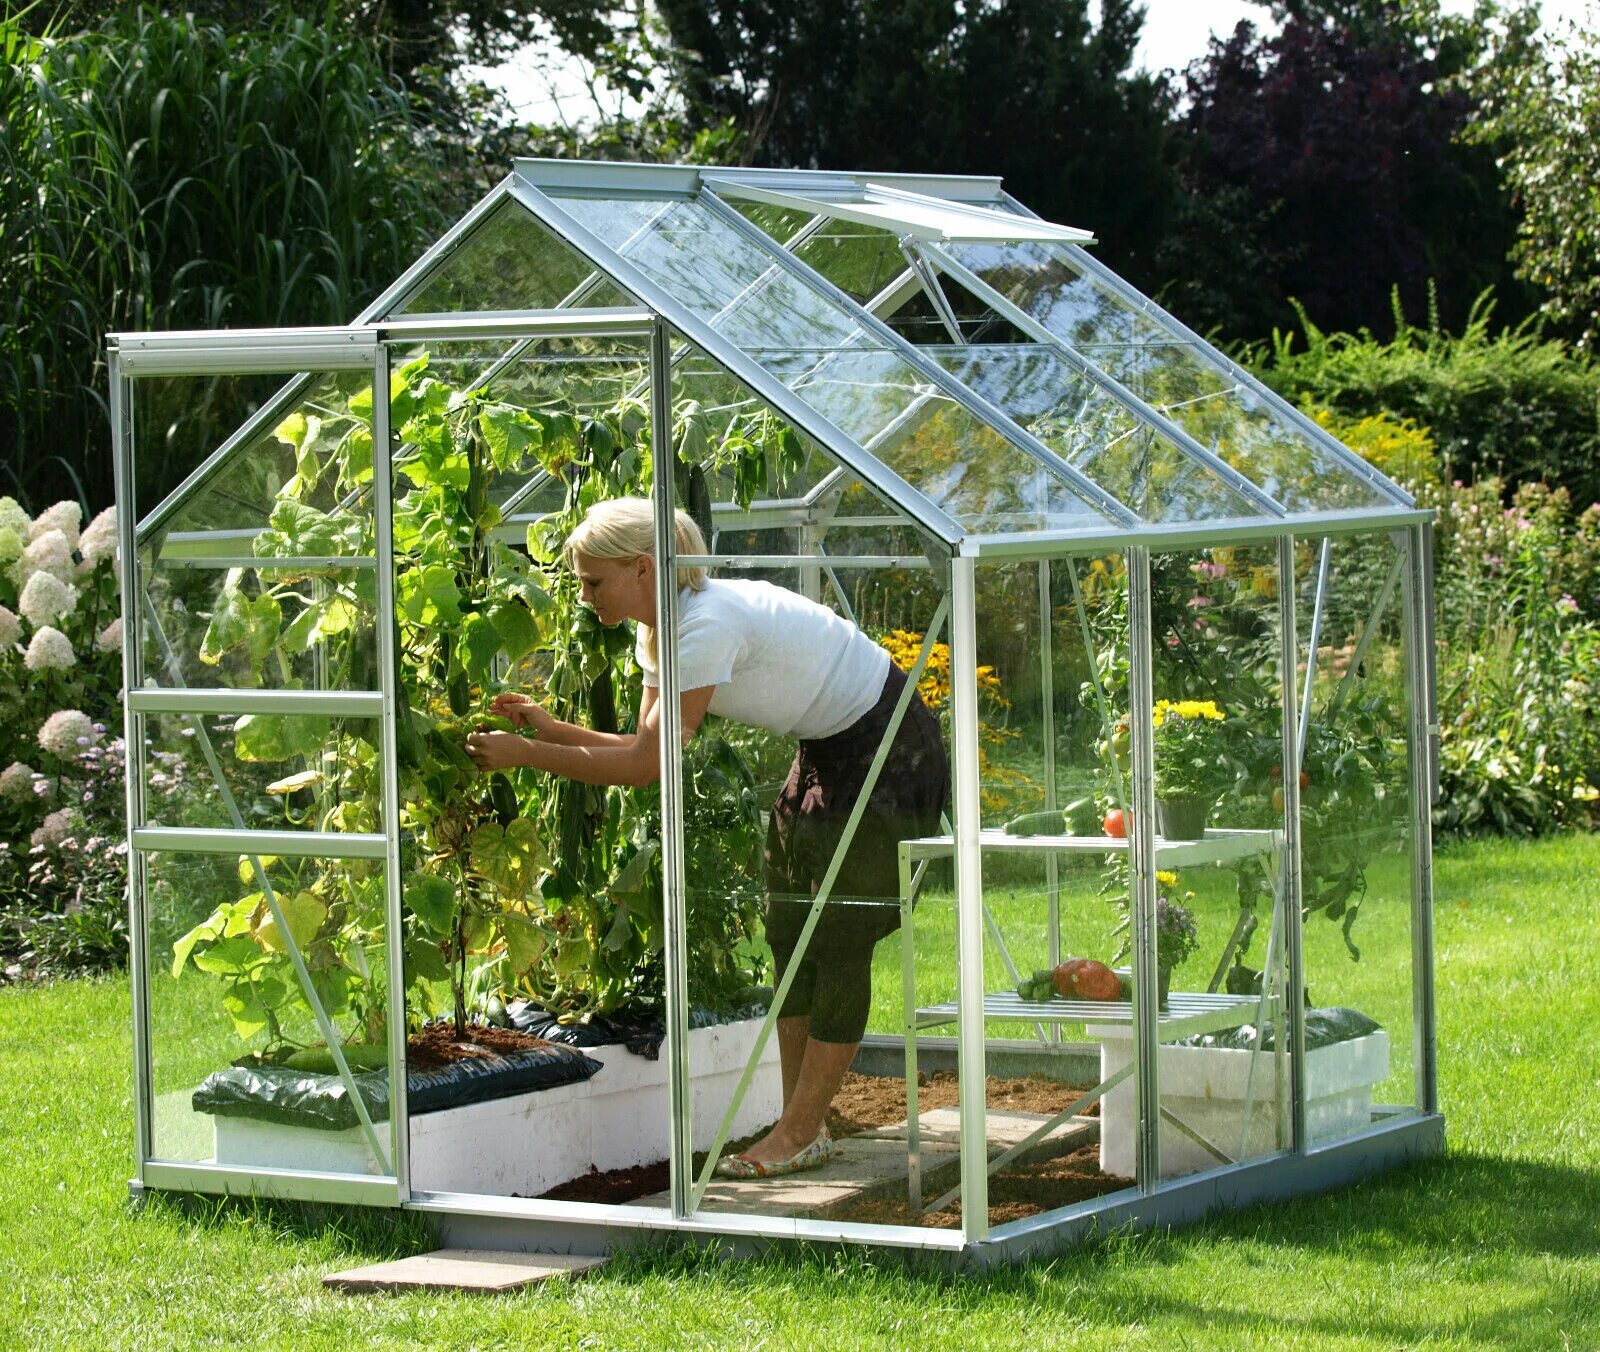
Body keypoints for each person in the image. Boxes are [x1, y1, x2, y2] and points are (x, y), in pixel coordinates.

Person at [464, 496, 948, 1178]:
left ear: (641, 568)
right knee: (789, 929)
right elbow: (642, 745)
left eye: (592, 582)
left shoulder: (705, 624)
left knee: (839, 935)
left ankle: (800, 1129)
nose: (583, 595)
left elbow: (646, 769)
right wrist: (550, 729)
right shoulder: (658, 629)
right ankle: (800, 1126)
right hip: (827, 748)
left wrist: (525, 755)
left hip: (889, 747)